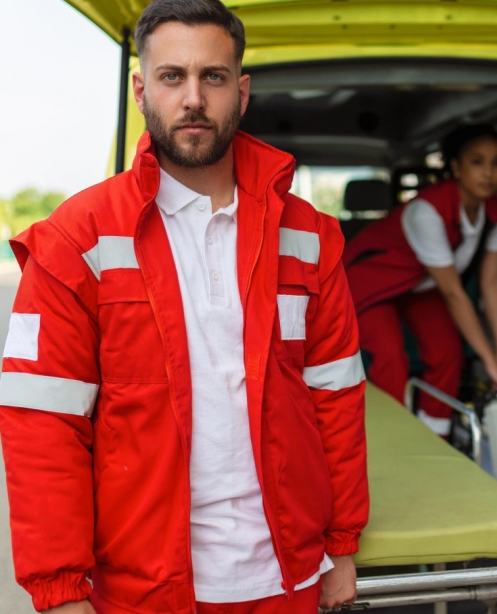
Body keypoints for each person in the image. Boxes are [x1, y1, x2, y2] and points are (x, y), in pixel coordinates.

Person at [0, 1, 368, 612]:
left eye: (213, 77)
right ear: (143, 90)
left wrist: (342, 545)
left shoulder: (309, 235)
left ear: (241, 92)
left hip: (289, 576)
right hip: (144, 587)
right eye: (173, 77)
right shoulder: (79, 236)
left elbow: (335, 396)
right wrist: (61, 590)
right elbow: (43, 425)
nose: (193, 98)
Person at [343, 124, 497, 437]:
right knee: (390, 355)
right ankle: (396, 440)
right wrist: (490, 363)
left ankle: (436, 436)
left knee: (448, 352)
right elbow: (454, 293)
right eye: (477, 162)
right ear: (456, 168)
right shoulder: (427, 211)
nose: (489, 173)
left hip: (421, 286)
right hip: (371, 284)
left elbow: (491, 283)